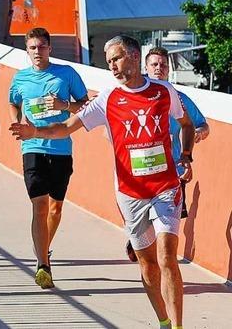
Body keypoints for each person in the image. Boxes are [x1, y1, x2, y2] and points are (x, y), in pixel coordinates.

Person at [10, 35, 194, 329]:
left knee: (167, 256)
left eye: (117, 59)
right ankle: (162, 320)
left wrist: (186, 154)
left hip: (165, 188)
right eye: (108, 62)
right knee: (147, 264)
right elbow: (67, 127)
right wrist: (36, 133)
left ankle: (178, 326)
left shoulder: (163, 91)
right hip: (131, 194)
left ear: (134, 56)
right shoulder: (108, 98)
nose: (113, 67)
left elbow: (186, 124)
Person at [8, 27, 89, 289]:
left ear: (50, 48)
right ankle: (43, 264)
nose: (37, 52)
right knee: (40, 205)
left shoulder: (66, 74)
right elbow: (13, 102)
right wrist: (16, 122)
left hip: (61, 148)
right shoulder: (20, 78)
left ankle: (44, 248)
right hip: (32, 147)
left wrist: (63, 106)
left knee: (55, 208)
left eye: (42, 46)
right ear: (27, 50)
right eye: (32, 47)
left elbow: (86, 106)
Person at [121, 47, 211, 261]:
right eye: (154, 65)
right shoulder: (133, 97)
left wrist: (198, 133)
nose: (159, 69)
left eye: (163, 65)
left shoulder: (179, 98)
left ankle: (163, 260)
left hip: (174, 172)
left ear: (169, 70)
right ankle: (142, 241)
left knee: (167, 226)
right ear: (146, 68)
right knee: (146, 220)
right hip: (141, 170)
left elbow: (202, 125)